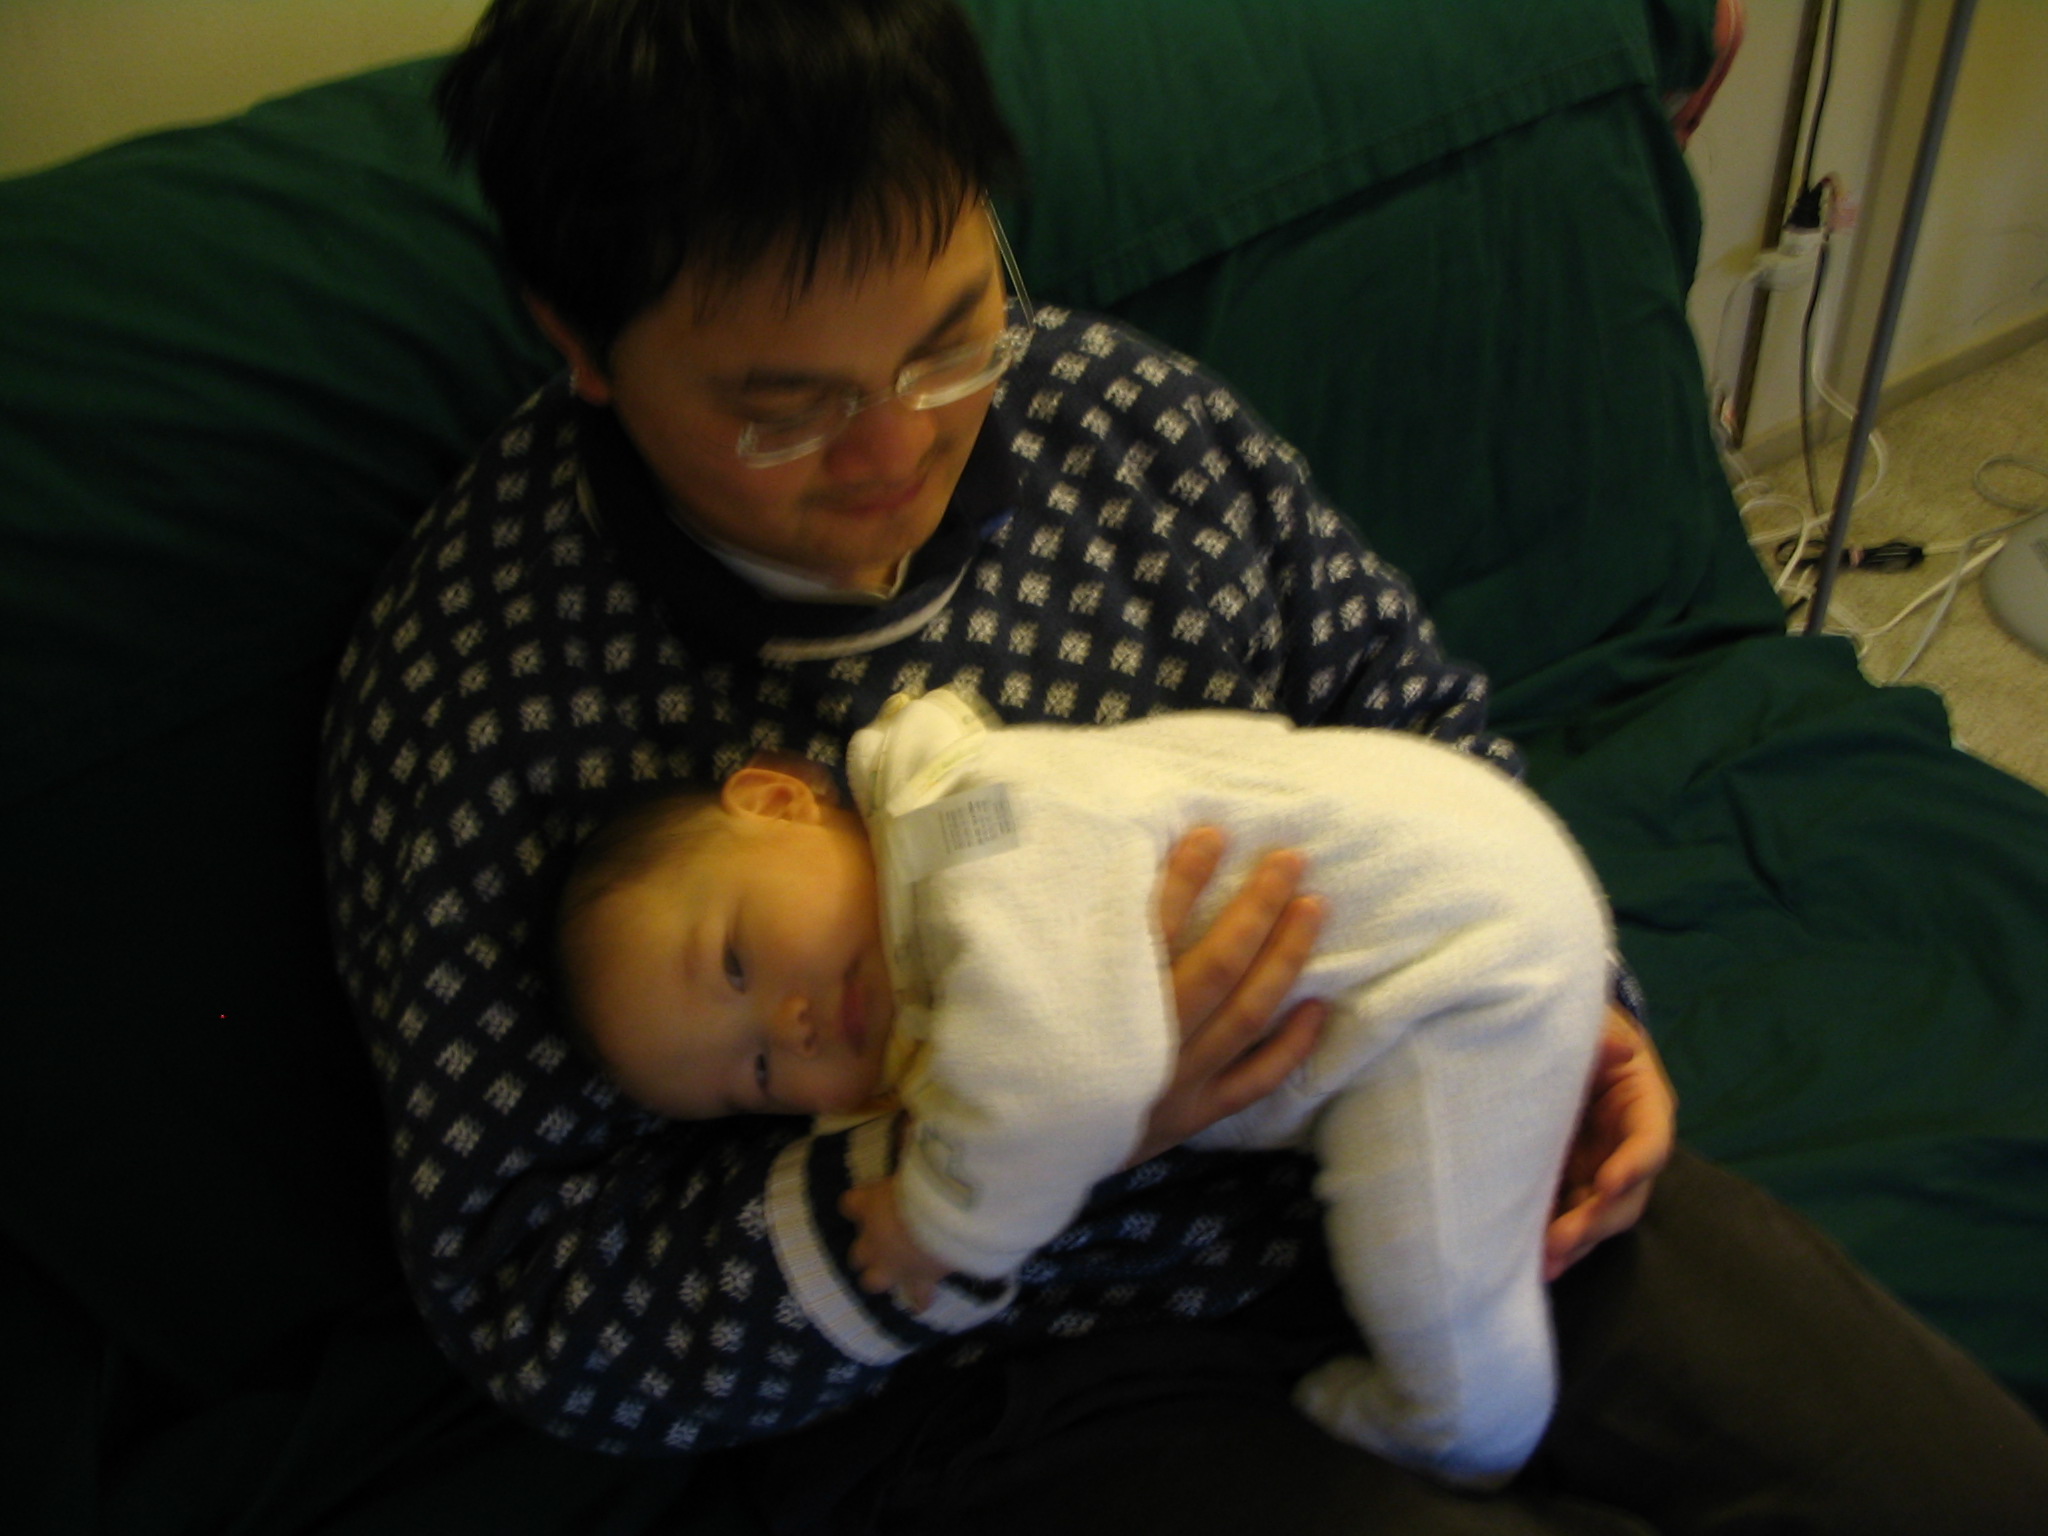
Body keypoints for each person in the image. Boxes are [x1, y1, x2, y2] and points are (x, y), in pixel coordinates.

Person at [318, 0, 2048, 1529]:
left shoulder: (1121, 427)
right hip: (1026, 1364)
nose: (898, 448)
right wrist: (979, 1155)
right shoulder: (485, 691)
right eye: (786, 411)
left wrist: (1570, 1005)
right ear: (579, 345)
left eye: (948, 335)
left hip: (1415, 1107)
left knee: (1952, 1486)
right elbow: (538, 1303)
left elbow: (1415, 721)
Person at [555, 684, 1614, 1488]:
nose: (789, 1025)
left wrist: (939, 1223)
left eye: (736, 960)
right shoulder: (967, 818)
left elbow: (1067, 1079)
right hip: (1466, 879)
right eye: (757, 1073)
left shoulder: (971, 840)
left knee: (1435, 1265)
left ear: (780, 800)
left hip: (1460, 972)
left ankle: (1465, 1426)